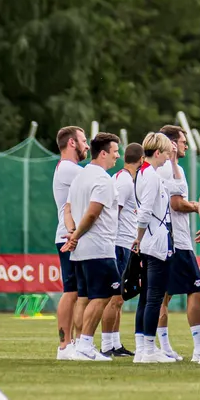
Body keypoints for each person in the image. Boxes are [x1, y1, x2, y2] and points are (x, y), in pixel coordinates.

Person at [58, 133, 122, 360]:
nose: (118, 156)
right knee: (104, 296)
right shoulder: (103, 179)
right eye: (115, 151)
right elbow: (93, 212)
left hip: (81, 251)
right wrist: (75, 235)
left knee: (85, 297)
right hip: (99, 248)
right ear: (103, 153)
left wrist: (73, 233)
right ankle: (85, 344)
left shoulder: (80, 177)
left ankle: (80, 345)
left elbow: (67, 209)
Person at [154, 124, 200, 361]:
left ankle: (163, 346)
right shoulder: (171, 169)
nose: (186, 145)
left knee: (162, 296)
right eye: (183, 141)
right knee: (195, 291)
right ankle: (199, 348)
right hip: (178, 242)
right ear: (173, 144)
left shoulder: (157, 168)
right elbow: (177, 204)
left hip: (165, 240)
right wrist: (197, 206)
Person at [131, 132, 180, 362]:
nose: (167, 158)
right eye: (165, 154)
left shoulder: (145, 173)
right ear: (157, 153)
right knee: (154, 297)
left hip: (151, 240)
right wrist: (138, 239)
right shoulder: (149, 175)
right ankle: (149, 349)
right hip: (155, 242)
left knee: (146, 297)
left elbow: (176, 186)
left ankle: (142, 347)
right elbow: (145, 212)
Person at [99, 142, 142, 357]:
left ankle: (115, 343)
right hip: (119, 244)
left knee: (120, 298)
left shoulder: (123, 178)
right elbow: (115, 213)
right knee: (114, 297)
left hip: (124, 243)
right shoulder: (125, 180)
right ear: (141, 160)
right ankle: (106, 344)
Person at [51, 126, 87, 358]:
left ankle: (74, 344)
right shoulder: (68, 168)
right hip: (68, 236)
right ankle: (65, 345)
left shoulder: (70, 169)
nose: (86, 145)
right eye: (83, 140)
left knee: (78, 292)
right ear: (72, 143)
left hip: (74, 236)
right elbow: (99, 183)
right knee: (71, 291)